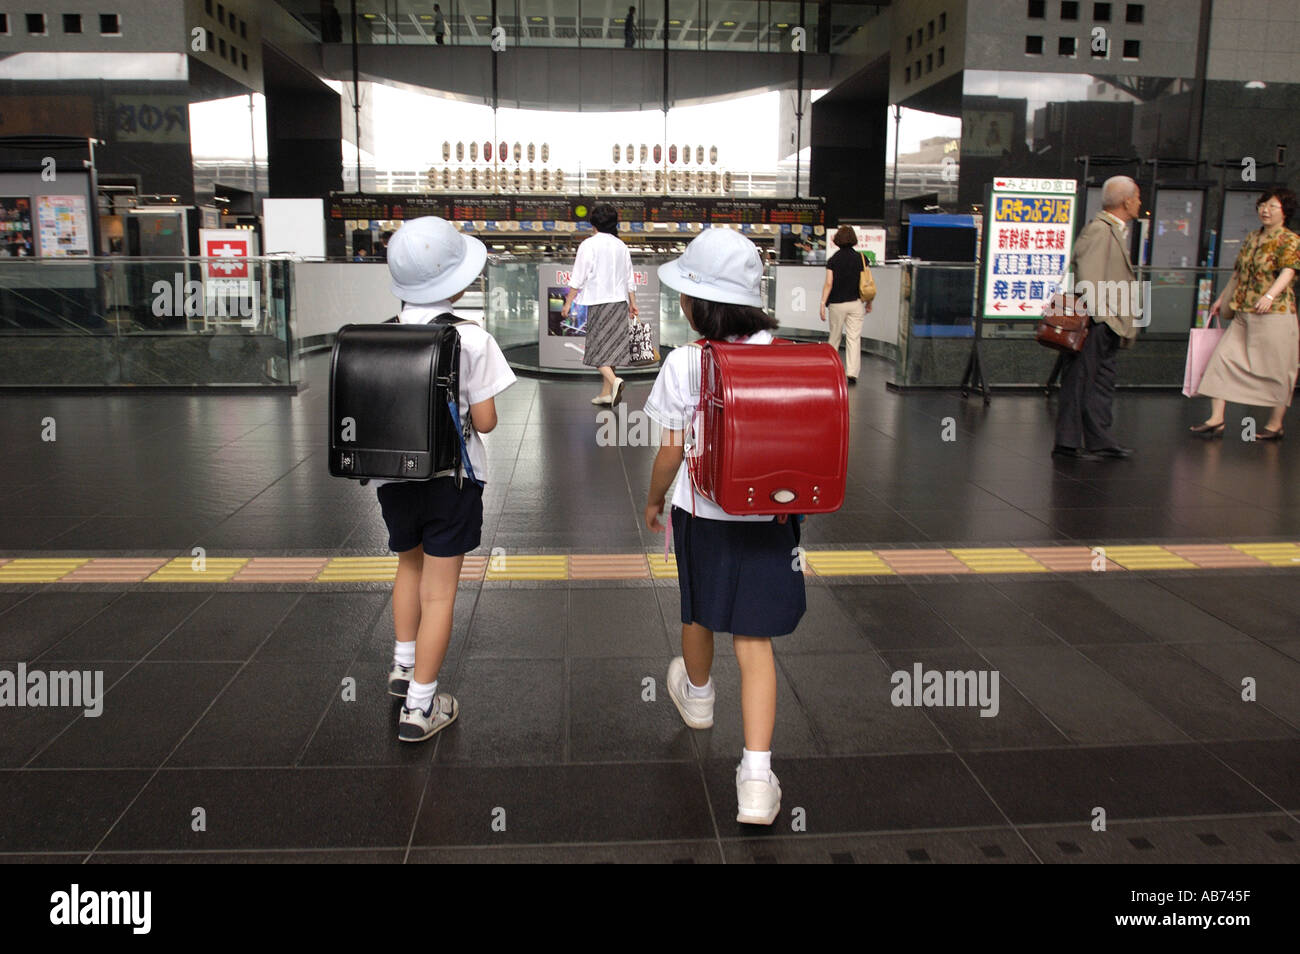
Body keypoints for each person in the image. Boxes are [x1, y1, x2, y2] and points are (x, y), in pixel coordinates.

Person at [643, 227, 806, 826]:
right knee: (754, 640)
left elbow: (669, 453)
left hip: (702, 513)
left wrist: (655, 500)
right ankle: (757, 781)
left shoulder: (687, 363)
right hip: (771, 513)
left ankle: (700, 697)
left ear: (695, 304)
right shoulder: (787, 352)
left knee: (698, 611)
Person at [377, 217, 516, 741]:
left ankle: (402, 665)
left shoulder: (381, 333)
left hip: (393, 479)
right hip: (451, 482)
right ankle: (420, 708)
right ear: (456, 281)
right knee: (440, 595)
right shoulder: (471, 338)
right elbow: (485, 422)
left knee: (408, 568)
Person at [1191, 188, 1299, 441]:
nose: (1265, 210)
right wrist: (1222, 299)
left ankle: (1275, 424)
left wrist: (1270, 295)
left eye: (1273, 206)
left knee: (1279, 368)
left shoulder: (1289, 239)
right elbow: (1239, 273)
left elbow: (1289, 271)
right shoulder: (1252, 237)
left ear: (1285, 212)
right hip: (1244, 310)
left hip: (1275, 313)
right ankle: (1216, 419)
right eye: (1263, 205)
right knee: (1222, 358)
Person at [1052, 175, 1142, 460]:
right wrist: (1104, 318)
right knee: (1080, 380)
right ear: (1127, 201)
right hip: (1096, 322)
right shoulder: (1101, 230)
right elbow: (1088, 277)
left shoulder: (1112, 230)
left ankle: (1099, 438)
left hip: (1106, 323)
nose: (1140, 203)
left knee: (1101, 380)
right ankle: (1067, 442)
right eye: (1137, 197)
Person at [561, 203, 638, 405]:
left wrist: (568, 302)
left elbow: (578, 276)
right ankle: (606, 393)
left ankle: (614, 381)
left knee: (596, 351)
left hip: (599, 303)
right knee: (611, 349)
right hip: (620, 303)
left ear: (593, 222)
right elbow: (630, 277)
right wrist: (633, 303)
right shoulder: (621, 246)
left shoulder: (589, 244)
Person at [820, 225, 871, 384]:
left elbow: (829, 283)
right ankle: (852, 373)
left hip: (837, 304)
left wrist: (822, 303)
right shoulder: (862, 259)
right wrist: (869, 302)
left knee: (834, 337)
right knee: (854, 338)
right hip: (856, 303)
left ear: (837, 240)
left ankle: (830, 369)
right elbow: (867, 283)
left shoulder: (833, 260)